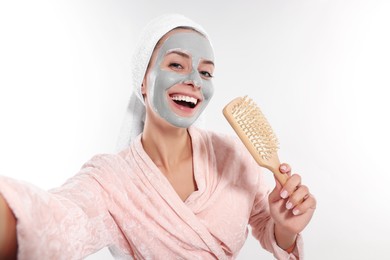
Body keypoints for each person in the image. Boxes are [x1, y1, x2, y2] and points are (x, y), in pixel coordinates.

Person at [0, 14, 316, 259]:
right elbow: (56, 220)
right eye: (176, 64)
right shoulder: (110, 180)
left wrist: (285, 228)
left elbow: (265, 222)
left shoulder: (234, 154)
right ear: (142, 81)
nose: (194, 80)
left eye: (205, 72)